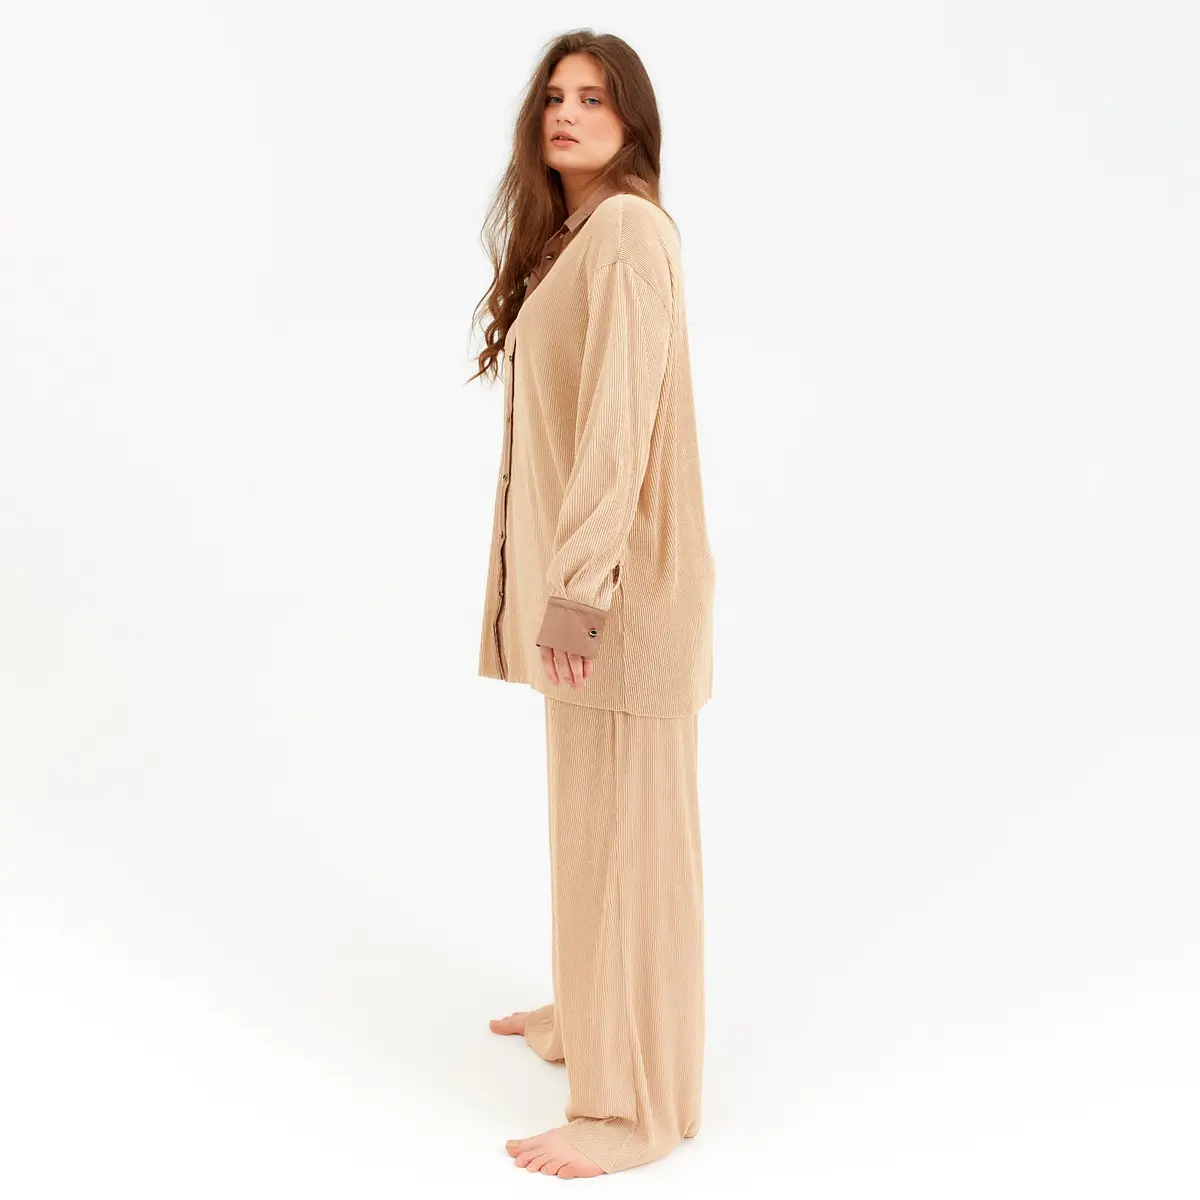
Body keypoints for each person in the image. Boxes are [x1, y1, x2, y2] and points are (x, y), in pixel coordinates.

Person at [467, 29, 716, 1178]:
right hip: (587, 603)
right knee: (590, 827)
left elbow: (618, 426)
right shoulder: (575, 238)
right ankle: (588, 1017)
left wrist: (575, 598)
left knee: (631, 853)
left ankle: (632, 1111)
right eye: (555, 97)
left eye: (595, 99)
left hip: (616, 606)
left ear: (633, 122)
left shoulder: (627, 232)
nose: (567, 113)